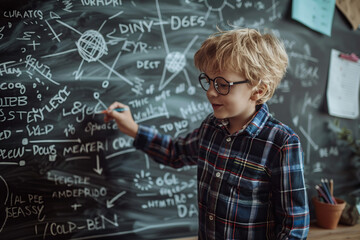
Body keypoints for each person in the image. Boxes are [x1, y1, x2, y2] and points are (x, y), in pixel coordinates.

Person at [104, 28, 310, 239]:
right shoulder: (211, 128)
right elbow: (176, 152)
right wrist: (132, 128)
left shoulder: (281, 143)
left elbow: (294, 227)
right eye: (209, 81)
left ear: (258, 90)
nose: (210, 91)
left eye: (222, 84)